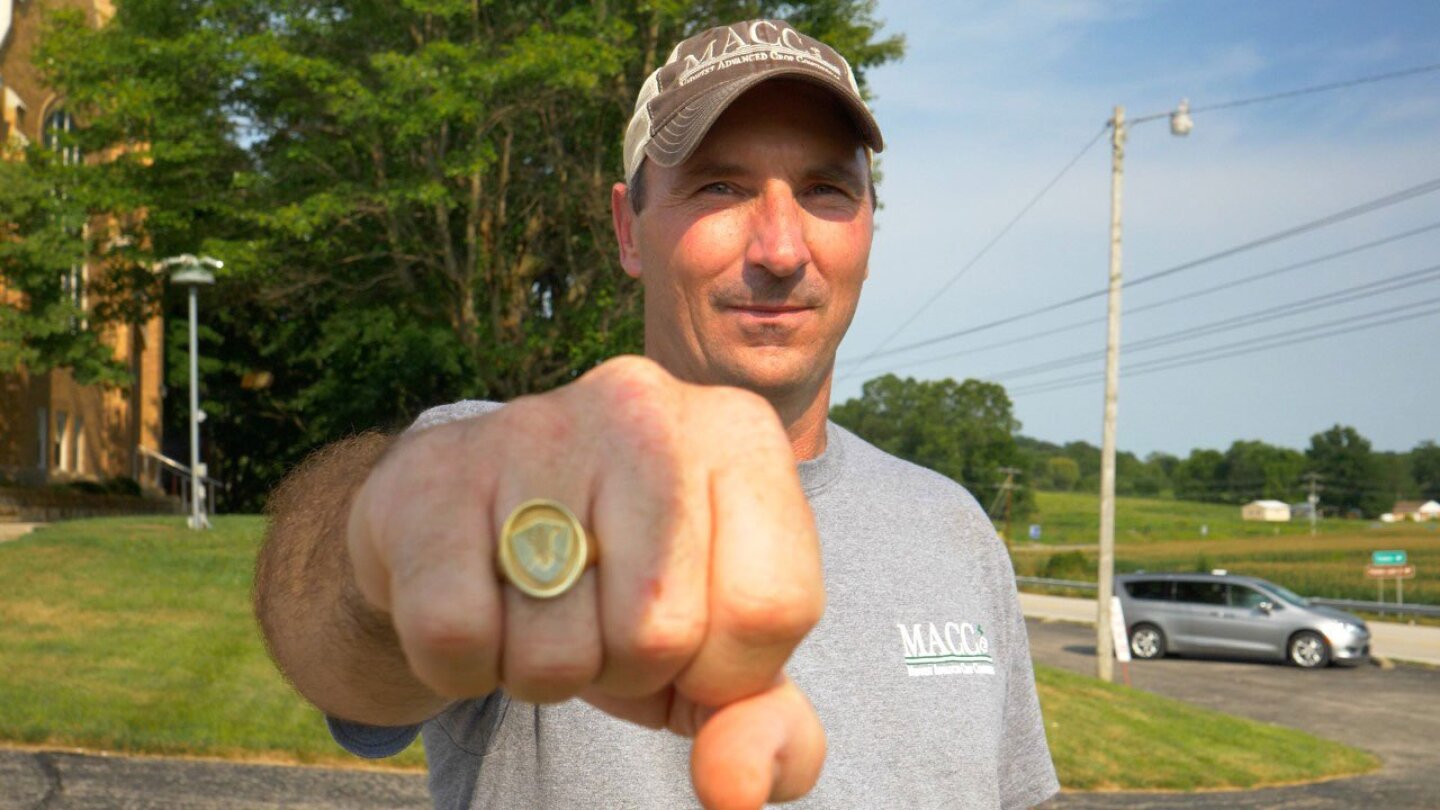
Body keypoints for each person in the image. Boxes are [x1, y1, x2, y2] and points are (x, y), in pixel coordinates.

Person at [255, 19, 1059, 810]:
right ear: (626, 229)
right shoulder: (529, 487)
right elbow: (331, 638)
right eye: (721, 186)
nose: (781, 248)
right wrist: (401, 527)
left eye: (826, 189)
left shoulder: (953, 530)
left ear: (868, 231)